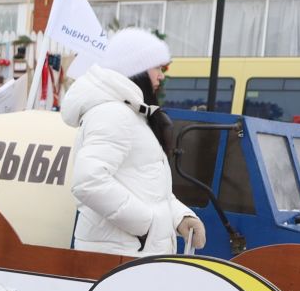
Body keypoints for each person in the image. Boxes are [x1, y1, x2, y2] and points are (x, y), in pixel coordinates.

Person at [61, 27, 203, 256]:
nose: (161, 76)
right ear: (135, 68)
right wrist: (146, 225)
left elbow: (146, 186)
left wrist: (180, 217)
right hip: (118, 258)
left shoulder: (131, 113)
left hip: (130, 255)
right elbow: (88, 181)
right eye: (157, 67)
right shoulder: (113, 114)